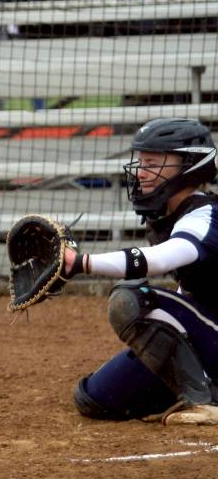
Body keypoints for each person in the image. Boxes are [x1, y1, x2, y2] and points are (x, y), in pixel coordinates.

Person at [62, 118, 218, 426]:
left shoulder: (206, 215)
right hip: (210, 334)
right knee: (94, 396)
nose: (141, 172)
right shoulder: (168, 216)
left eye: (153, 163)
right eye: (141, 162)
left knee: (133, 299)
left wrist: (80, 263)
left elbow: (161, 259)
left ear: (190, 165)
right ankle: (200, 386)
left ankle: (205, 401)